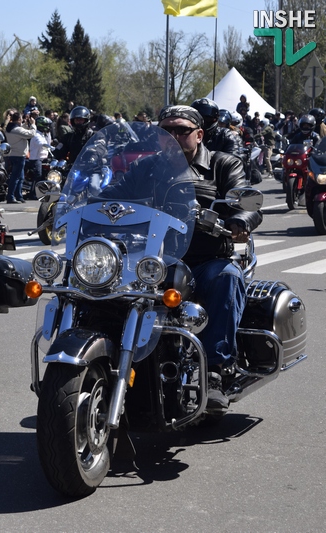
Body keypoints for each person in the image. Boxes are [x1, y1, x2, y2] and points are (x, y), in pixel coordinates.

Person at [100, 105, 263, 414]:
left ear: (199, 135)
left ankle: (215, 372)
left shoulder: (221, 165)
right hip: (151, 260)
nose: (173, 136)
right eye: (166, 131)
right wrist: (77, 205)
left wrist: (240, 221)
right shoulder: (146, 168)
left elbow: (246, 197)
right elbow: (113, 193)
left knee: (226, 277)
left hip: (205, 258)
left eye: (181, 131)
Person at [4, 111, 35, 203]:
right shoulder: (16, 130)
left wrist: (25, 124)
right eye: (21, 119)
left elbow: (21, 131)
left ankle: (19, 195)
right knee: (15, 177)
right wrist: (33, 125)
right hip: (19, 155)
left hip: (13, 154)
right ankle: (10, 196)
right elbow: (30, 134)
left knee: (20, 177)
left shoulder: (10, 129)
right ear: (18, 120)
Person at [25, 116, 52, 199]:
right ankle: (33, 194)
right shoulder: (36, 135)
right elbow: (41, 144)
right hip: (36, 159)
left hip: (43, 158)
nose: (47, 127)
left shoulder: (42, 135)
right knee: (37, 176)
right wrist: (51, 147)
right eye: (46, 125)